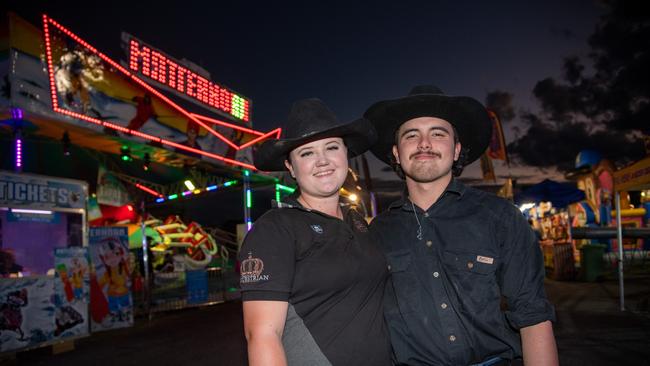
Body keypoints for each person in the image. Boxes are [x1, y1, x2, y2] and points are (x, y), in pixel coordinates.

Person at [364, 85, 558, 366]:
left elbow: (533, 316)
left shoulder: (501, 217)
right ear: (396, 153)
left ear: (456, 150)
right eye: (411, 135)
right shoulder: (376, 233)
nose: (424, 143)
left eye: (438, 134)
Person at [238, 98, 392, 366]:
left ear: (346, 154)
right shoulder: (275, 229)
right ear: (291, 167)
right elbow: (263, 335)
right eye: (306, 153)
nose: (322, 161)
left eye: (332, 147)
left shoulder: (358, 222)